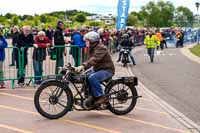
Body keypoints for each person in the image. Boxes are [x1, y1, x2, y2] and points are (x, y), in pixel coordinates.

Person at [74, 31, 115, 105]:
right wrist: (80, 68)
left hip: (107, 70)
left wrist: (82, 66)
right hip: (98, 69)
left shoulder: (101, 48)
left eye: (87, 41)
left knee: (93, 78)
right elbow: (88, 60)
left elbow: (94, 59)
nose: (86, 43)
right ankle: (91, 96)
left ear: (93, 41)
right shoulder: (92, 48)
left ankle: (101, 97)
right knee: (85, 76)